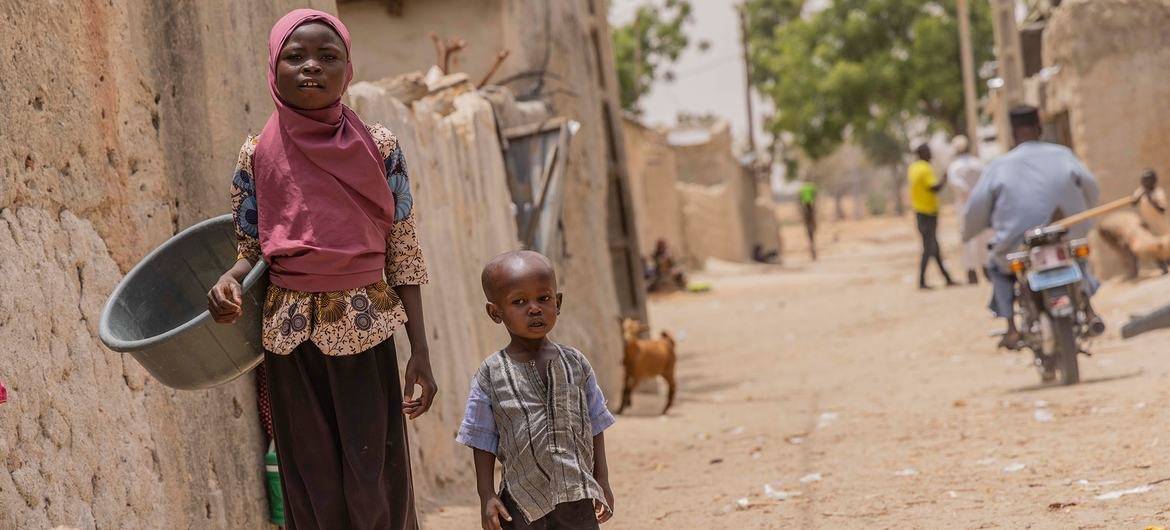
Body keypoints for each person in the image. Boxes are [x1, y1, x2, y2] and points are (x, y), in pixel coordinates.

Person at [205, 10, 437, 529]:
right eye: (295, 57)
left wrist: (419, 349)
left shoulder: (380, 148)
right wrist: (228, 283)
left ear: (347, 70)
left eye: (327, 57)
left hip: (366, 328)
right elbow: (249, 247)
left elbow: (402, 248)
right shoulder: (255, 153)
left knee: (373, 474)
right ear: (274, 67)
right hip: (289, 338)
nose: (311, 67)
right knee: (309, 480)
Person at [457, 250, 616, 530]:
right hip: (521, 501)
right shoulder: (491, 374)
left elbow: (595, 424)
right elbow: (481, 437)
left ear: (558, 302)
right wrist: (487, 494)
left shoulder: (575, 364)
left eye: (544, 298)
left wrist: (601, 479)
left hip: (576, 494)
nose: (534, 309)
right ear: (496, 312)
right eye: (519, 302)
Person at [963, 105, 1102, 351]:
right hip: (1066, 232)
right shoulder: (1063, 154)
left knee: (998, 268)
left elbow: (976, 208)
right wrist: (1083, 216)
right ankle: (1089, 310)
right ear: (1039, 129)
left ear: (1013, 134)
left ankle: (1011, 328)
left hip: (1017, 243)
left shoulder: (999, 166)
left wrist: (970, 232)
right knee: (1079, 261)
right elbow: (1091, 187)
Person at [908, 143, 957, 289]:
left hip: (919, 211)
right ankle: (922, 281)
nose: (931, 154)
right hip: (928, 212)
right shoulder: (925, 168)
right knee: (929, 247)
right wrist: (944, 178)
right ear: (923, 153)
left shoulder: (913, 168)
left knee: (933, 247)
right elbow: (933, 188)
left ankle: (947, 278)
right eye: (929, 151)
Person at [946, 135, 989, 284]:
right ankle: (985, 266)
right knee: (983, 237)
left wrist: (968, 194)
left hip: (964, 207)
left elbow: (957, 186)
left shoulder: (954, 167)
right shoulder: (978, 163)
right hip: (981, 205)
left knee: (968, 239)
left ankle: (971, 272)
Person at [798, 180, 818, 260]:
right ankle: (812, 247)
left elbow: (800, 199)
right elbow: (815, 197)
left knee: (808, 228)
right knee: (812, 227)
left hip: (805, 208)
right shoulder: (812, 187)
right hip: (810, 208)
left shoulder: (801, 189)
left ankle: (812, 246)